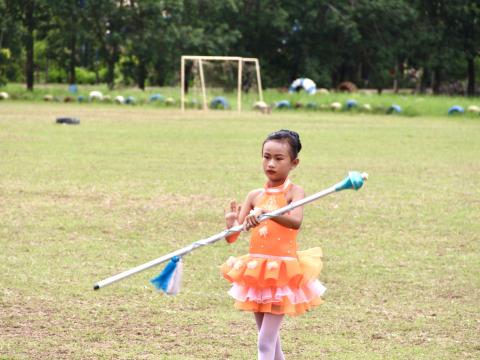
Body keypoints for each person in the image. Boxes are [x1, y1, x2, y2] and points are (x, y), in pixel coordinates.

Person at [221, 129, 326, 360]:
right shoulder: (254, 195)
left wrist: (269, 214)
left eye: (279, 159)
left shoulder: (294, 192)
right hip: (257, 273)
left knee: (264, 342)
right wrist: (231, 223)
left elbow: (296, 222)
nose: (271, 163)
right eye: (266, 156)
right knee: (269, 341)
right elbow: (232, 238)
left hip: (282, 275)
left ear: (294, 163)